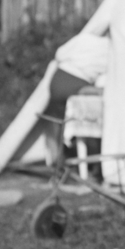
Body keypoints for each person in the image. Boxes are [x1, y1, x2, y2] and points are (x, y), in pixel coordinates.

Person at [42, 32, 110, 169]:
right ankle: (83, 163)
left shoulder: (84, 38)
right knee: (78, 121)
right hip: (77, 83)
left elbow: (60, 54)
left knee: (56, 122)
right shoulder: (112, 49)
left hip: (58, 80)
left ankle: (58, 162)